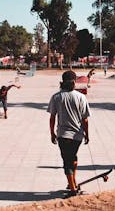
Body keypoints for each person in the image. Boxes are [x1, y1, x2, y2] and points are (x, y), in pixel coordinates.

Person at [48, 70, 90, 198]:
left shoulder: (56, 97)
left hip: (63, 135)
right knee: (73, 158)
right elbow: (85, 119)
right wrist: (87, 134)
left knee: (67, 161)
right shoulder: (81, 97)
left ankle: (72, 189)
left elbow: (52, 117)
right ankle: (72, 182)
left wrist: (52, 133)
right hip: (77, 135)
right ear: (74, 82)